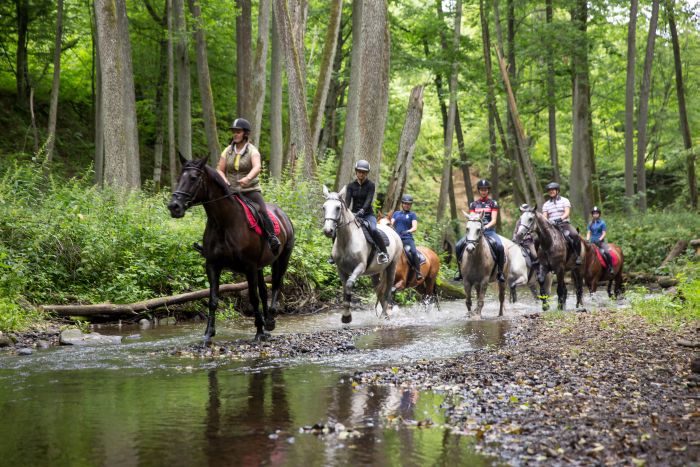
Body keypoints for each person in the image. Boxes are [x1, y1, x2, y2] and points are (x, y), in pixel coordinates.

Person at [216, 117, 281, 255]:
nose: (235, 134)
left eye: (238, 131)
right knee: (216, 212)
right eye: (234, 131)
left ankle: (272, 238)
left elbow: (257, 167)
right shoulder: (227, 151)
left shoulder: (252, 151)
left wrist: (248, 178)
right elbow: (219, 169)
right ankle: (211, 245)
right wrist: (224, 181)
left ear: (245, 133)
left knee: (263, 211)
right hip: (231, 191)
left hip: (250, 190)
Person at [454, 179, 506, 283]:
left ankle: (500, 273)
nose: (483, 191)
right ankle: (460, 272)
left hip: (489, 231)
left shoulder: (493, 203)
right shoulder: (474, 204)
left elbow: (494, 220)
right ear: (479, 191)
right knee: (458, 246)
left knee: (500, 247)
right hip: (475, 232)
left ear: (488, 190)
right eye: (482, 190)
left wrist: (486, 227)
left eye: (485, 190)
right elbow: (472, 218)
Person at [343, 159, 389, 264]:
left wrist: (363, 210)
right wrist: (346, 212)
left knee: (373, 230)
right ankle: (334, 254)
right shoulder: (351, 186)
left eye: (363, 172)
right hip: (354, 214)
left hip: (368, 214)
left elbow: (369, 200)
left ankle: (383, 253)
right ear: (356, 172)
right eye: (359, 171)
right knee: (340, 227)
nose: (361, 174)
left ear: (366, 173)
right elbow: (347, 201)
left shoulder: (370, 185)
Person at [541, 182, 582, 265]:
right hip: (551, 226)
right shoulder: (546, 204)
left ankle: (578, 256)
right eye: (549, 190)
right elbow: (544, 217)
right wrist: (548, 222)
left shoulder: (565, 200)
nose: (551, 191)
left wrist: (559, 219)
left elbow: (567, 213)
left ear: (557, 190)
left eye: (553, 190)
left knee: (575, 235)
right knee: (538, 239)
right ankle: (540, 259)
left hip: (564, 224)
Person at [391, 194, 422, 280]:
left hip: (407, 238)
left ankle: (418, 272)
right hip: (396, 238)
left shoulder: (412, 215)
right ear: (402, 204)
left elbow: (414, 227)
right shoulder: (396, 213)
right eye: (405, 203)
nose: (406, 205)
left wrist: (408, 231)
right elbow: (391, 223)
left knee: (414, 252)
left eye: (408, 204)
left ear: (411, 205)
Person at [586, 206, 614, 275]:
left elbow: (604, 233)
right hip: (592, 242)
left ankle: (610, 267)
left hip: (600, 242)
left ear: (599, 214)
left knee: (606, 252)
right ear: (592, 214)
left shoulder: (602, 223)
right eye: (594, 213)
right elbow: (589, 232)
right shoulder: (590, 223)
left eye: (597, 213)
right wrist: (587, 239)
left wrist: (600, 239)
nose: (595, 214)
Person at [512, 203, 539, 270]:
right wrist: (514, 237)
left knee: (534, 255)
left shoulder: (531, 220)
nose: (522, 212)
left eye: (524, 211)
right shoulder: (518, 221)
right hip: (518, 242)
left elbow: (534, 232)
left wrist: (530, 235)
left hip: (528, 242)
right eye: (521, 211)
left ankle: (538, 270)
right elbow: (515, 231)